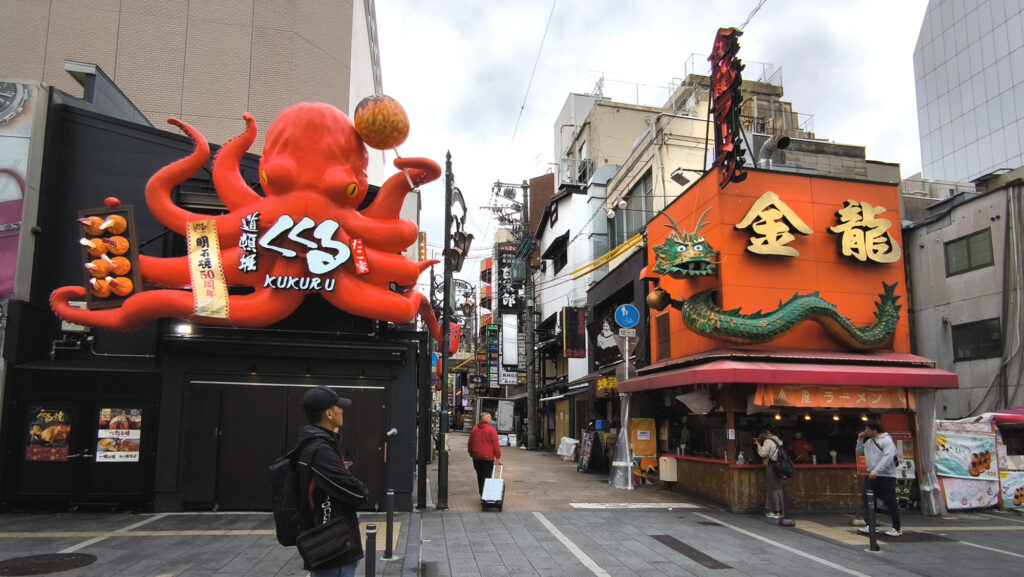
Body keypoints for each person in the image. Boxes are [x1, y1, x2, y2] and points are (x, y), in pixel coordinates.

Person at [297, 386, 370, 577]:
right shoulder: (321, 451)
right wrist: (357, 484)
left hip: (327, 542)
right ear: (329, 413)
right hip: (333, 547)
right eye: (338, 407)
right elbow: (357, 493)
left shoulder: (312, 444)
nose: (342, 410)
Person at [856, 420, 902, 537]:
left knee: (890, 502)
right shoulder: (869, 441)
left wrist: (877, 470)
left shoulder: (886, 441)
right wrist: (860, 440)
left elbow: (888, 457)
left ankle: (896, 527)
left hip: (885, 476)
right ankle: (871, 525)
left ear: (874, 430)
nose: (865, 431)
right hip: (871, 475)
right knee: (867, 499)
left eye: (867, 429)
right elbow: (859, 452)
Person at [754, 424, 785, 518]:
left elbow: (763, 454)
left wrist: (758, 445)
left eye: (763, 434)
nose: (762, 436)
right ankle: (778, 510)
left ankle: (775, 511)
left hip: (773, 466)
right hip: (780, 467)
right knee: (779, 488)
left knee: (772, 489)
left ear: (767, 432)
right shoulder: (778, 440)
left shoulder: (768, 441)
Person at [467, 412, 502, 495]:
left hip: (476, 457)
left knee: (480, 475)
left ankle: (481, 493)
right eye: (490, 418)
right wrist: (498, 457)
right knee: (486, 476)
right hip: (487, 457)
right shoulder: (491, 430)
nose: (491, 420)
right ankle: (485, 495)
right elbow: (495, 444)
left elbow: (470, 443)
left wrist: (471, 453)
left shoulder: (474, 429)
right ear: (486, 419)